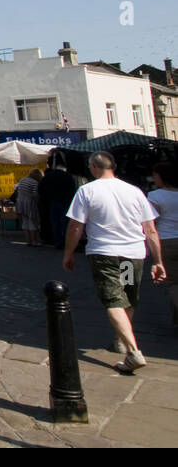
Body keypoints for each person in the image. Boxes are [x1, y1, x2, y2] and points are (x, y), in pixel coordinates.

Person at [64, 152, 166, 373]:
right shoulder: (134, 191)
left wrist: (68, 253)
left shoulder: (87, 191)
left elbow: (75, 226)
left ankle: (133, 351)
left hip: (105, 254)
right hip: (132, 254)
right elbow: (150, 229)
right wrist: (157, 260)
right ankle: (121, 339)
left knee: (113, 300)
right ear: (114, 166)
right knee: (126, 296)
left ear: (92, 167)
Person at [148, 161, 178, 328]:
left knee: (173, 283)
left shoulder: (155, 196)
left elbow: (151, 222)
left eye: (155, 175)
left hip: (166, 241)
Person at [39, 156, 78, 248]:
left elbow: (41, 188)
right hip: (65, 202)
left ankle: (58, 241)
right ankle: (66, 241)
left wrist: (47, 198)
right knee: (65, 222)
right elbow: (73, 189)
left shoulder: (48, 176)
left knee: (55, 222)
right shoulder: (68, 176)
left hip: (52, 202)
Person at [14, 168, 44, 246]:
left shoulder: (22, 180)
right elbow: (35, 195)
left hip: (20, 202)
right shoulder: (35, 183)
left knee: (25, 222)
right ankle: (34, 241)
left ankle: (28, 241)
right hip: (29, 203)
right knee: (32, 222)